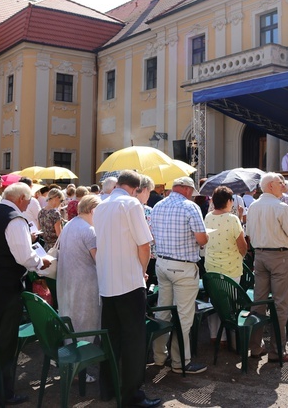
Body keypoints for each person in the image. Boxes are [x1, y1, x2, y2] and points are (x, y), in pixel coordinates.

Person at [0, 183, 51, 405]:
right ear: (20, 198)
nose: (29, 204)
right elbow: (24, 257)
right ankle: (3, 393)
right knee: (6, 338)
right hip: (5, 282)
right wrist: (42, 261)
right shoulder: (14, 218)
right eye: (28, 200)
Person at [94, 171, 160, 408]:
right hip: (129, 281)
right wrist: (142, 270)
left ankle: (108, 388)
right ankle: (131, 395)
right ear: (135, 188)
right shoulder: (131, 204)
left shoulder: (101, 205)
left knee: (111, 338)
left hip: (107, 281)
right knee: (133, 340)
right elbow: (144, 244)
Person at [150, 176, 209, 374]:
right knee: (184, 316)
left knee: (162, 311)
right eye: (192, 191)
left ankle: (159, 356)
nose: (193, 195)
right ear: (185, 189)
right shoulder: (189, 207)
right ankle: (181, 362)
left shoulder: (158, 205)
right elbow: (202, 240)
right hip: (182, 266)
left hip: (162, 263)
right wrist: (206, 235)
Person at [245, 172, 288, 362]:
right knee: (281, 304)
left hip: (260, 255)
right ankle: (277, 351)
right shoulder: (281, 207)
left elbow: (248, 233)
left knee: (258, 302)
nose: (283, 185)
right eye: (279, 182)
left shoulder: (253, 206)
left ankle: (255, 346)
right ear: (270, 186)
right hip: (279, 256)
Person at [57, 194, 103, 347]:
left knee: (72, 320)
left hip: (68, 280)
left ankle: (74, 365)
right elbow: (99, 260)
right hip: (85, 285)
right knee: (85, 325)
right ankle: (81, 367)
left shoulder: (70, 224)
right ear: (92, 210)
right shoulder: (89, 230)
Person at [204, 186, 247, 344]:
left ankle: (216, 336)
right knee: (231, 304)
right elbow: (242, 246)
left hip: (212, 266)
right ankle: (233, 339)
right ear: (229, 201)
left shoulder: (208, 217)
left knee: (215, 301)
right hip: (231, 268)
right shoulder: (232, 219)